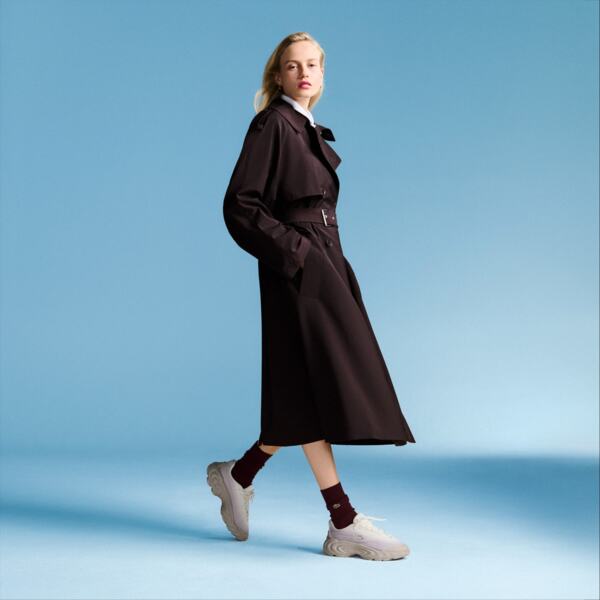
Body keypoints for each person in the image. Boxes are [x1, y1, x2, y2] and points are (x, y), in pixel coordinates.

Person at [207, 32, 415, 561]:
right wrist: (298, 254)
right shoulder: (273, 124)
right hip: (297, 265)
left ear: (323, 74)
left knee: (305, 383)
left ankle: (241, 474)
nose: (304, 73)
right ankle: (342, 519)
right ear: (278, 74)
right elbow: (240, 204)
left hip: (324, 258)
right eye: (293, 65)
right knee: (323, 378)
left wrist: (322, 259)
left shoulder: (303, 127)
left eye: (313, 65)